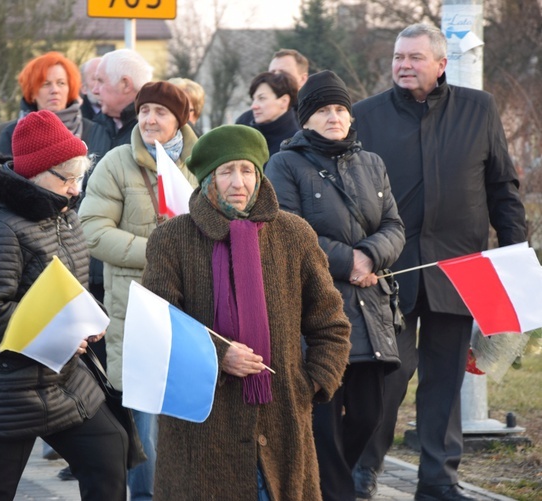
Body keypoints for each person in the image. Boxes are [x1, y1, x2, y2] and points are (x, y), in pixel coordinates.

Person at [351, 24, 527, 501]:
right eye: (398, 57)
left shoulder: (480, 109)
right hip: (388, 274)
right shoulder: (364, 116)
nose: (404, 65)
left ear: (442, 63)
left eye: (415, 57)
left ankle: (438, 480)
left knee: (445, 383)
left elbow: (502, 190)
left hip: (460, 271)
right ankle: (364, 469)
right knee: (387, 377)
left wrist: (515, 257)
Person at [140, 124, 352, 500]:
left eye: (247, 169)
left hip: (282, 417)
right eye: (226, 171)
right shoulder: (172, 239)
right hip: (201, 429)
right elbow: (160, 329)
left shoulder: (294, 234)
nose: (238, 182)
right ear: (208, 178)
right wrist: (220, 355)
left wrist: (309, 384)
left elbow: (331, 324)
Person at [0, 110, 128, 501]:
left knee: (110, 448)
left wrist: (86, 313)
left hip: (58, 378)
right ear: (36, 172)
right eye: (68, 178)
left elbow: (62, 283)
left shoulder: (59, 212)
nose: (76, 189)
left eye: (79, 177)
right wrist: (59, 334)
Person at [265, 70, 405, 501]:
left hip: (371, 310)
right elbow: (289, 230)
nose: (334, 117)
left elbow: (395, 227)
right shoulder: (284, 164)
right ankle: (333, 492)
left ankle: (324, 485)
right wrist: (351, 261)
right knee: (323, 419)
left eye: (341, 109)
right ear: (306, 118)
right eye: (324, 110)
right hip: (318, 312)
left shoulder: (372, 164)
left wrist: (370, 256)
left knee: (369, 414)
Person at [78, 81, 198, 501]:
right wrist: (158, 251)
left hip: (194, 308)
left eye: (161, 112)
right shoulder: (115, 163)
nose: (149, 119)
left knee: (188, 411)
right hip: (136, 308)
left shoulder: (199, 165)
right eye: (144, 110)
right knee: (144, 416)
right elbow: (91, 231)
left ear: (180, 120)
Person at [0, 52, 109, 164]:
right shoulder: (11, 134)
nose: (55, 90)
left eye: (61, 83)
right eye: (46, 84)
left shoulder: (94, 131)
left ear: (70, 88)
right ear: (32, 92)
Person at [91, 49, 153, 149]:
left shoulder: (157, 129)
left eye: (101, 81)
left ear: (126, 84)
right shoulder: (97, 126)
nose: (95, 90)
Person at [236, 48, 309, 125]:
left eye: (283, 73)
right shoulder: (246, 120)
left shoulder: (312, 117)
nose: (276, 77)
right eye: (272, 72)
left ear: (302, 79)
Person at [244, 71, 300, 156]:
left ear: (284, 101)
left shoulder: (298, 145)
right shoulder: (244, 137)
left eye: (261, 98)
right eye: (253, 99)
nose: (254, 106)